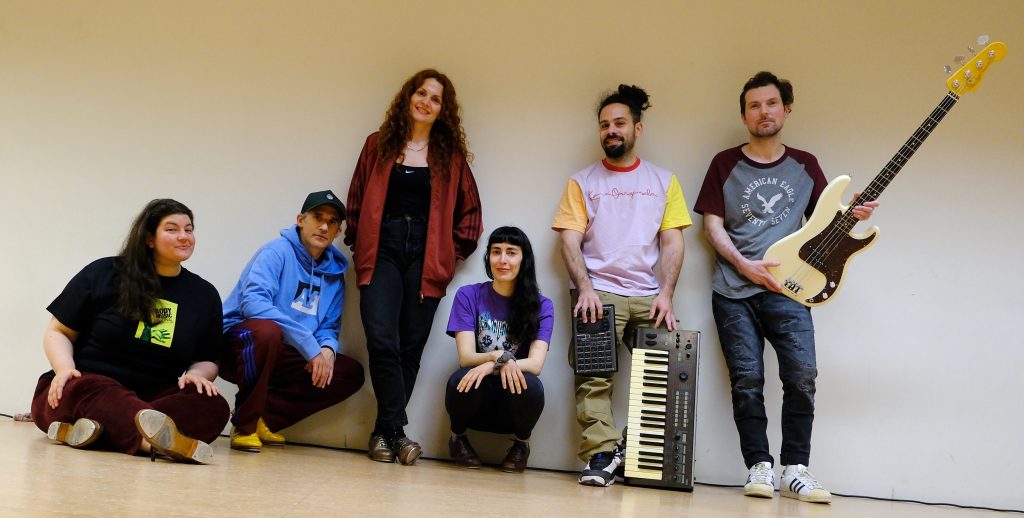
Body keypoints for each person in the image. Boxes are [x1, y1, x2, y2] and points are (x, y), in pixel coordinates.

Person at [693, 71, 879, 504]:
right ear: (744, 115)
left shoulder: (805, 165)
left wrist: (853, 216)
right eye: (754, 105)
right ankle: (758, 466)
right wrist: (744, 264)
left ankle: (795, 469)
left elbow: (826, 226)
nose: (764, 112)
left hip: (790, 290)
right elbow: (711, 226)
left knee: (802, 377)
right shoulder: (724, 163)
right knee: (747, 380)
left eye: (771, 103)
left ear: (786, 109)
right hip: (732, 291)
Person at [552, 84, 692, 486]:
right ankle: (601, 455)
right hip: (598, 293)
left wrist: (666, 294)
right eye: (604, 125)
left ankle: (636, 452)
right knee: (593, 379)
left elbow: (673, 241)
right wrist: (585, 289)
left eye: (619, 123)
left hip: (649, 296)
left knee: (671, 373)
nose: (611, 130)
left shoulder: (664, 181)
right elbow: (569, 240)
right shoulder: (582, 182)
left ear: (637, 128)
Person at [345, 68, 483, 465]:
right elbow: (356, 200)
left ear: (443, 110)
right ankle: (396, 432)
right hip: (381, 249)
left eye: (435, 99)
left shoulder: (450, 157)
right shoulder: (377, 145)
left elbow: (471, 215)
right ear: (408, 97)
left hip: (427, 255)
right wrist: (358, 242)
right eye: (421, 93)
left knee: (410, 347)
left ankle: (383, 433)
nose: (426, 102)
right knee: (381, 338)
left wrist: (448, 255)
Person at [31, 199, 230, 464]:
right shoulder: (104, 272)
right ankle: (153, 441)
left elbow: (207, 358)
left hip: (156, 394)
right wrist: (64, 369)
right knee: (95, 390)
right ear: (149, 238)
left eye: (189, 229)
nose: (184, 237)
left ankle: (95, 432)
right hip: (86, 384)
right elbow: (59, 331)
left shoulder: (204, 295)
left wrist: (197, 375)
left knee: (214, 404)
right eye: (172, 229)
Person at [221, 190, 365, 452]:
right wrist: (308, 343)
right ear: (300, 220)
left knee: (348, 373)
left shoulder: (335, 275)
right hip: (238, 347)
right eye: (317, 217)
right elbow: (253, 304)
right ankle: (245, 426)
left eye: (332, 222)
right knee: (267, 331)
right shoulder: (276, 252)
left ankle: (264, 418)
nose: (324, 227)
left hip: (286, 351)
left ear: (338, 232)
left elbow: (329, 326)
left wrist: (326, 349)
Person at [444, 226, 554, 473]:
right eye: (496, 252)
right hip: (478, 394)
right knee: (459, 380)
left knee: (533, 386)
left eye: (511, 252)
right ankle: (458, 438)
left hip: (512, 396)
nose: (502, 260)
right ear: (489, 257)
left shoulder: (542, 306)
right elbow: (466, 358)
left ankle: (521, 444)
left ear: (524, 260)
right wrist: (496, 356)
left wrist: (492, 365)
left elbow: (535, 364)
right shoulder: (468, 295)